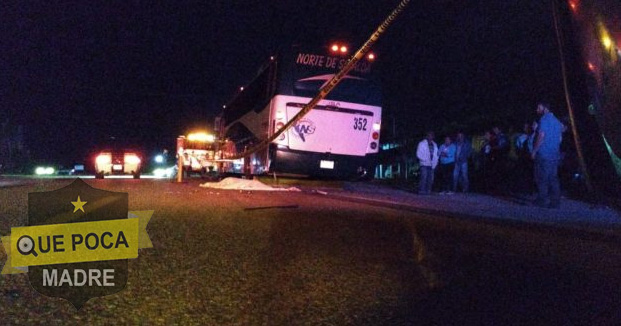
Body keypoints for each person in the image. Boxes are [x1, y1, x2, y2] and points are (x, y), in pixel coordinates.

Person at [531, 102, 564, 208]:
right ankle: (555, 202)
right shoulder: (557, 121)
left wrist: (534, 150)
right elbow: (560, 136)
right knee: (553, 178)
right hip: (554, 153)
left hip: (544, 153)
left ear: (545, 108)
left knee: (542, 177)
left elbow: (541, 135)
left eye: (539, 107)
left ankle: (542, 199)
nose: (537, 109)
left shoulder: (544, 119)